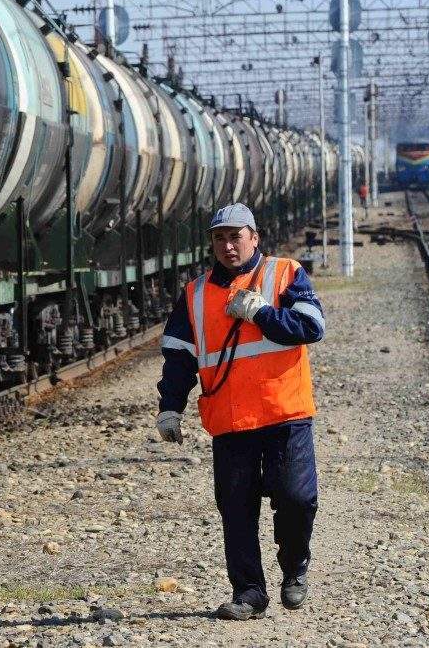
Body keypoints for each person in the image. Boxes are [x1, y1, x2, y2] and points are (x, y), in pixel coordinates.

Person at [156, 203, 325, 621]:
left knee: (297, 499)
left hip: (284, 413)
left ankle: (294, 565)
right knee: (236, 510)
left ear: (254, 237)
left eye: (236, 236)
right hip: (230, 419)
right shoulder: (195, 295)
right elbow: (179, 357)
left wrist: (260, 311)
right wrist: (170, 408)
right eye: (220, 238)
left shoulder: (286, 273)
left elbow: (311, 327)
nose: (228, 246)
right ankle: (249, 593)